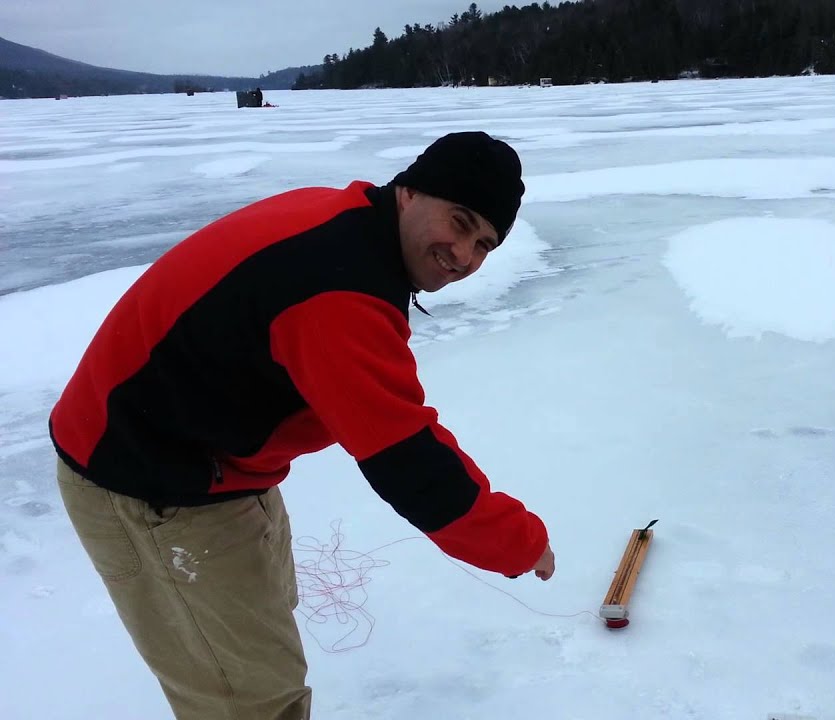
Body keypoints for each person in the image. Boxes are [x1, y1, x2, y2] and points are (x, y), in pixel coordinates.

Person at [49, 131, 554, 720]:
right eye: (460, 221)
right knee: (251, 699)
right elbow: (406, 458)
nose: (464, 256)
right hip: (148, 480)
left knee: (264, 631)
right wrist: (519, 541)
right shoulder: (340, 290)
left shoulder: (349, 222)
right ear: (411, 191)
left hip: (213, 461)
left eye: (484, 244)